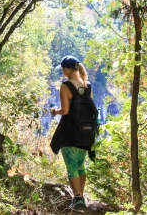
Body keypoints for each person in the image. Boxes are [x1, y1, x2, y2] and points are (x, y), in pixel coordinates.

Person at [50, 55, 92, 210]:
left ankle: (78, 198)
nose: (62, 71)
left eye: (62, 69)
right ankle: (81, 196)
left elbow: (65, 110)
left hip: (70, 132)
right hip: (86, 132)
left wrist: (55, 111)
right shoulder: (88, 85)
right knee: (81, 165)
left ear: (67, 70)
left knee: (71, 165)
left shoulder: (66, 86)